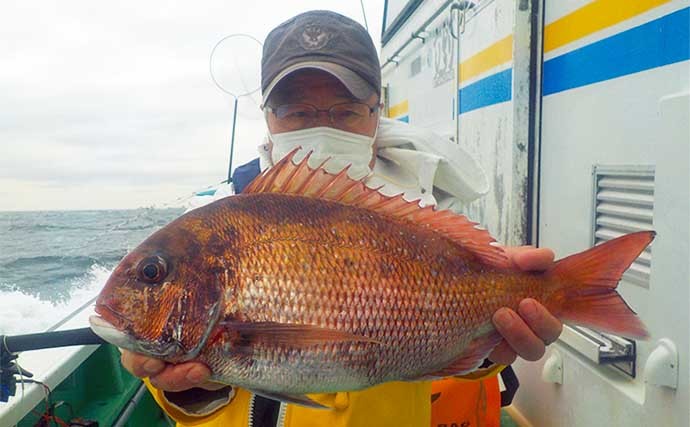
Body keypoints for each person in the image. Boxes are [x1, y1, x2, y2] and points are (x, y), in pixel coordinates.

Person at [120, 10, 562, 426]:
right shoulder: (211, 220)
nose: (323, 127)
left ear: (376, 109)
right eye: (297, 111)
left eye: (345, 110)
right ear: (268, 116)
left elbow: (458, 362)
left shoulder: (431, 212)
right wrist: (191, 388)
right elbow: (192, 398)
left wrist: (491, 348)